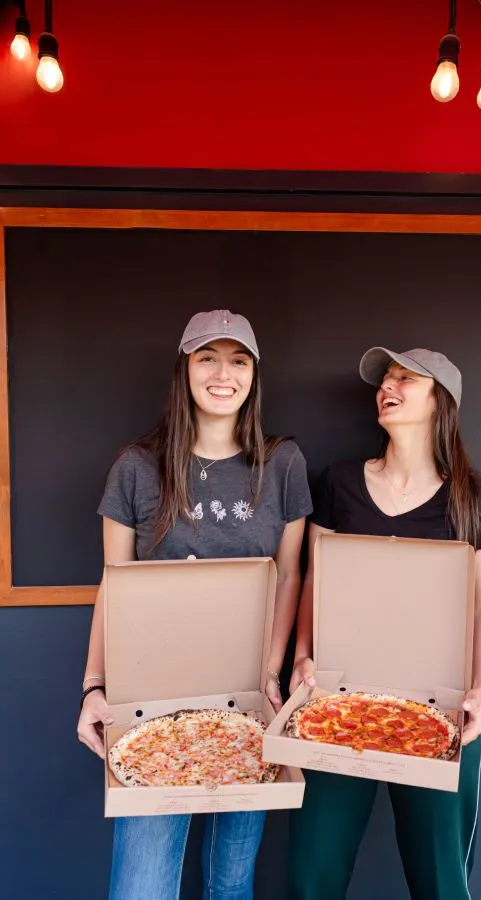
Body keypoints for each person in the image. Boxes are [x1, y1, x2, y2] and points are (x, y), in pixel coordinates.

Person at [77, 309, 312, 900]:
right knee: (141, 889)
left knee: (231, 884)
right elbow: (115, 582)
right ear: (185, 369)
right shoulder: (137, 466)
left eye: (238, 360)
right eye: (208, 357)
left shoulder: (282, 463)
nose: (222, 373)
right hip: (150, 698)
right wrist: (93, 685)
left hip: (249, 702)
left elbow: (288, 576)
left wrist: (268, 673)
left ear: (255, 375)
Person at [288, 347, 481, 900]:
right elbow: (316, 582)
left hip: (441, 707)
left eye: (406, 378)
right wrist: (301, 657)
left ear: (442, 402)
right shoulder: (337, 483)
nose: (388, 386)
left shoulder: (477, 500)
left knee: (442, 882)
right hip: (338, 702)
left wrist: (480, 694)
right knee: (312, 875)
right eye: (385, 379)